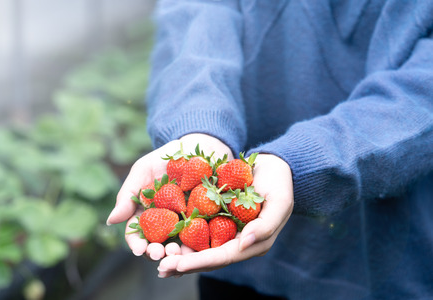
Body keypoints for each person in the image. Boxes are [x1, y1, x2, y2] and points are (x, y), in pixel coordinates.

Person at [106, 0, 433, 299]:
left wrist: (298, 162)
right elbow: (199, 10)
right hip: (238, 260)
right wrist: (198, 124)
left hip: (387, 264)